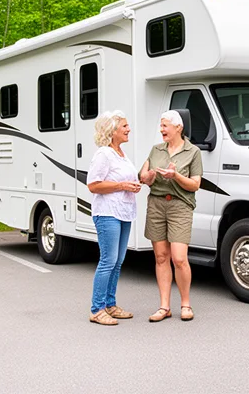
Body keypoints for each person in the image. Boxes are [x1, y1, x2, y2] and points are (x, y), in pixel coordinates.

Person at [139, 110, 202, 322]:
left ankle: (186, 304)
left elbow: (195, 184)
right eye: (161, 125)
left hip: (180, 206)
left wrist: (175, 175)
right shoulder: (156, 150)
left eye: (165, 126)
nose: (161, 129)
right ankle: (164, 307)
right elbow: (143, 176)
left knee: (179, 258)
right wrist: (148, 177)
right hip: (156, 205)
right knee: (161, 257)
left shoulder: (192, 152)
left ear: (178, 128)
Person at [86, 110, 141, 325]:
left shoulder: (121, 153)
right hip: (107, 213)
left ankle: (110, 305)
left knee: (118, 261)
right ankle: (96, 309)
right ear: (112, 131)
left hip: (123, 211)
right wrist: (122, 185)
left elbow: (124, 179)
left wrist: (134, 184)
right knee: (108, 261)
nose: (129, 129)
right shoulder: (103, 154)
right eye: (125, 126)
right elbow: (93, 185)